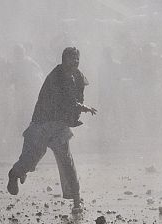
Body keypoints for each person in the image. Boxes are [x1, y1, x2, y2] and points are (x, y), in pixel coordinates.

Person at [7, 47, 97, 212]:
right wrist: (82, 107)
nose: (75, 62)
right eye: (71, 59)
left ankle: (76, 200)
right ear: (63, 60)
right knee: (31, 158)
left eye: (77, 59)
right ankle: (14, 174)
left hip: (60, 125)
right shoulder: (55, 77)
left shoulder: (78, 76)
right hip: (43, 122)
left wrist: (76, 113)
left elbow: (78, 96)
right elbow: (63, 100)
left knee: (66, 161)